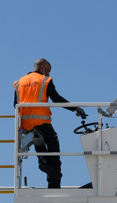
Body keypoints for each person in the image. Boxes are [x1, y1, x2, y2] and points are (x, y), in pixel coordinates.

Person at [15, 58, 87, 189]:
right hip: (42, 121)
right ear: (42, 68)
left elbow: (15, 105)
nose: (48, 74)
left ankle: (42, 161)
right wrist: (76, 108)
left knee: (40, 143)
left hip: (26, 125)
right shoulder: (44, 81)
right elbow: (56, 99)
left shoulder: (19, 83)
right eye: (48, 70)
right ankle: (54, 185)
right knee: (54, 151)